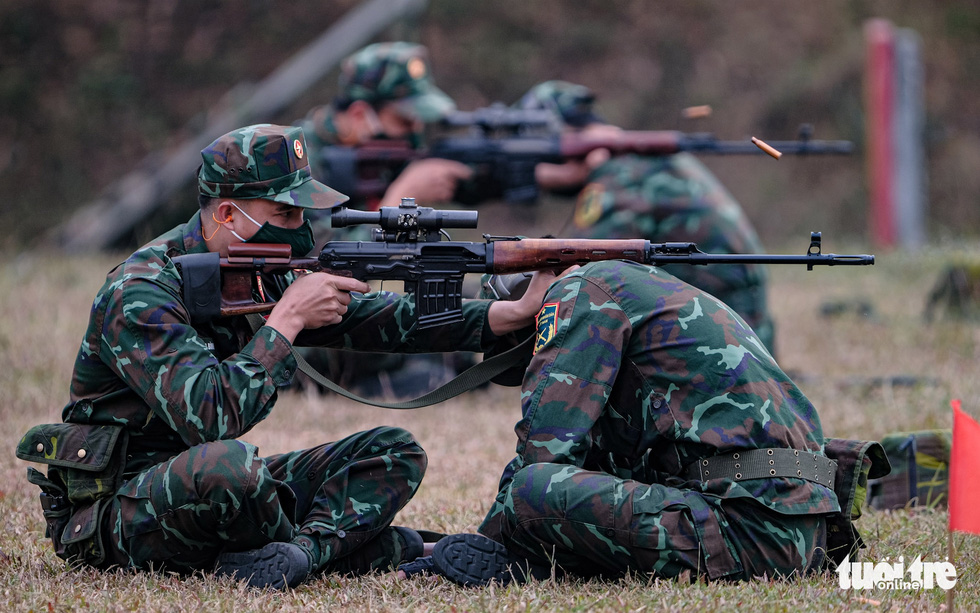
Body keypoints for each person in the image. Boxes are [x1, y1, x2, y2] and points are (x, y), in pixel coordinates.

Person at [17, 124, 553, 590]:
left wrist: (500, 316)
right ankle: (377, 549)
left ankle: (298, 555)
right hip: (119, 509)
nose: (300, 231)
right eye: (284, 213)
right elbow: (211, 418)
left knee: (393, 451)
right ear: (227, 213)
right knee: (229, 465)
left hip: (223, 493)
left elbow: (378, 320)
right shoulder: (141, 292)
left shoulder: (253, 265)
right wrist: (286, 322)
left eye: (303, 214)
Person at [399, 261, 887, 586]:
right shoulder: (641, 293)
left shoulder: (579, 297)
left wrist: (479, 549)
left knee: (535, 488)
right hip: (803, 530)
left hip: (747, 531)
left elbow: (545, 449)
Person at [514, 80, 777, 353]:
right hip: (736, 324)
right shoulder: (638, 159)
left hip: (726, 336)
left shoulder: (623, 173)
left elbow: (574, 270)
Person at [294, 41, 476, 398]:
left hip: (352, 314)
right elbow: (323, 258)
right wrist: (402, 197)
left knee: (468, 309)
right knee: (430, 364)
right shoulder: (295, 159)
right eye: (405, 120)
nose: (415, 133)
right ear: (362, 115)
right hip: (305, 324)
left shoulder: (381, 153)